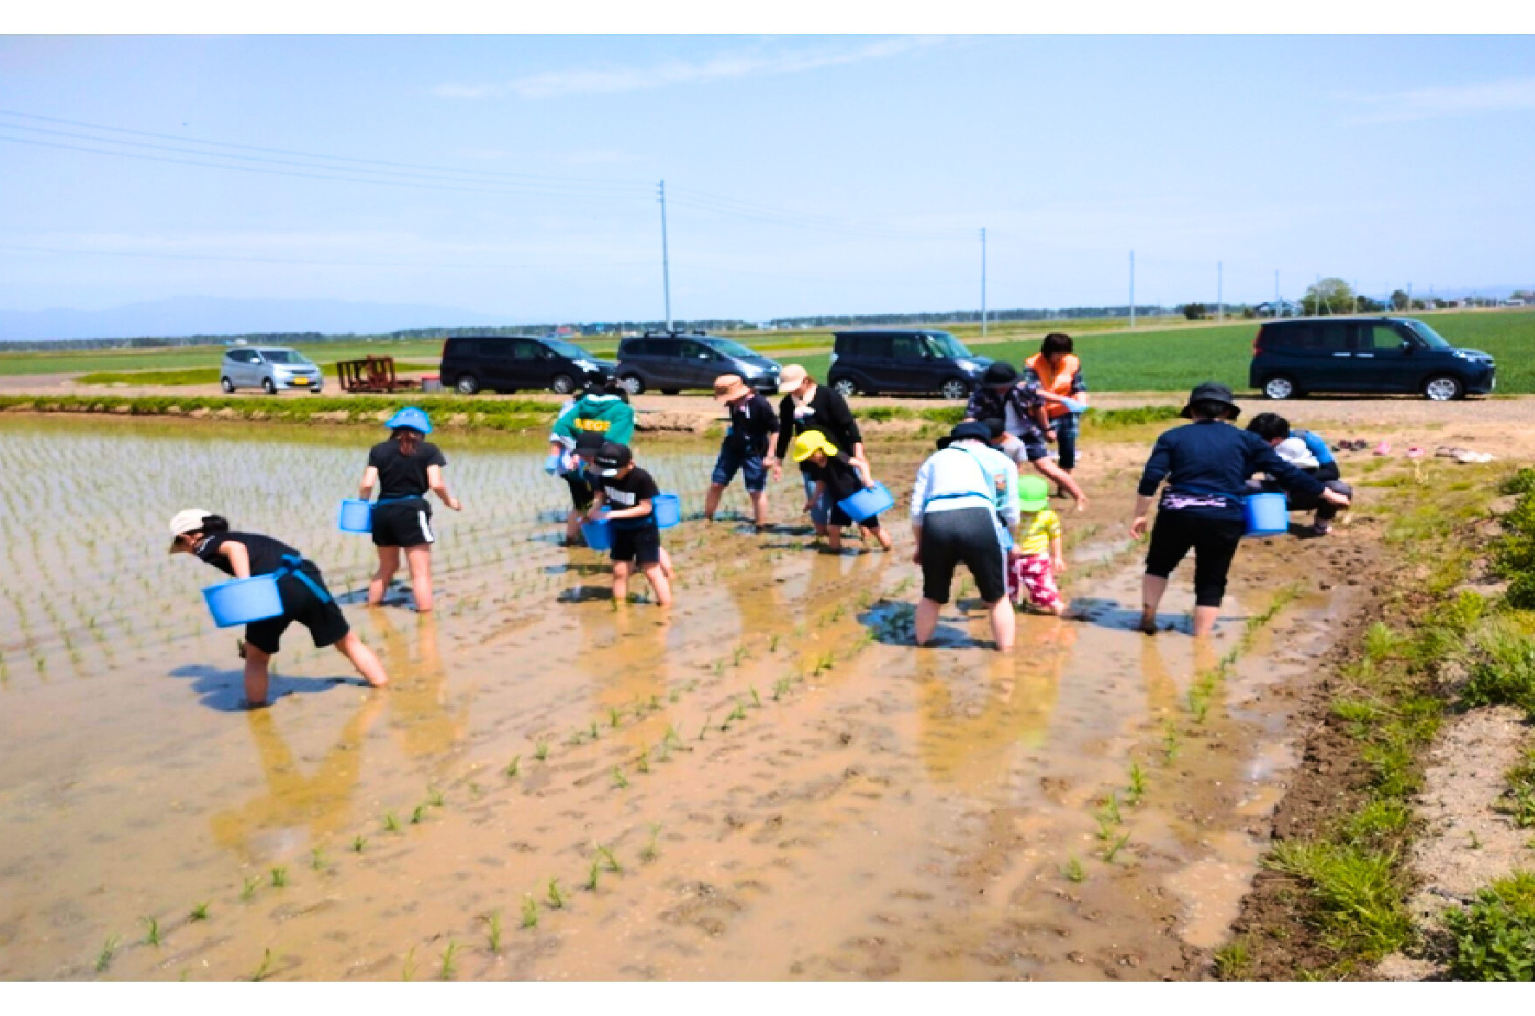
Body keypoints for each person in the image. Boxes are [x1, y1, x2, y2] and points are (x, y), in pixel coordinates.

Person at [1130, 383, 1351, 638]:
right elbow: (1287, 472)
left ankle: (1148, 617)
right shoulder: (1247, 440)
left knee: (1159, 565)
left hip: (1177, 513)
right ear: (1227, 413)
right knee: (1211, 579)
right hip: (1223, 515)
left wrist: (1140, 514)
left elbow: (1151, 478)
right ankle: (1201, 642)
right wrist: (1328, 494)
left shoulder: (1172, 437)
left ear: (1192, 410)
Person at [169, 510, 388, 707]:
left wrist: (246, 586)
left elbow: (236, 550)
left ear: (189, 537)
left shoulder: (205, 543)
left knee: (256, 657)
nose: (187, 551)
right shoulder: (242, 536)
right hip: (306, 578)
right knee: (347, 641)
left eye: (181, 544)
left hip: (271, 588)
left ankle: (255, 707)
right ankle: (383, 687)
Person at [910, 421, 1021, 652]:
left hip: (936, 519)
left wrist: (920, 546)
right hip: (978, 517)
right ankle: (1006, 654)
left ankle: (921, 647)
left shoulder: (935, 459)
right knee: (997, 598)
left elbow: (916, 511)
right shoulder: (1000, 460)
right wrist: (1010, 543)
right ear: (986, 440)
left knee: (932, 595)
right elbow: (1010, 510)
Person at [361, 407, 461, 612]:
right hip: (411, 510)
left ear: (394, 428)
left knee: (386, 567)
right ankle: (426, 621)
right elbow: (436, 483)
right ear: (422, 430)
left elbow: (367, 484)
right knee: (420, 572)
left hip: (383, 512)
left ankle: (372, 610)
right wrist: (449, 501)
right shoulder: (429, 450)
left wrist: (361, 507)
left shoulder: (378, 449)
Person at [965, 361, 1087, 510]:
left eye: (1005, 384)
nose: (1001, 388)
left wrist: (1047, 428)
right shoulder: (981, 393)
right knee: (1004, 471)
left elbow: (1039, 403)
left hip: (1027, 434)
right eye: (998, 385)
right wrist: (967, 433)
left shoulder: (1024, 389)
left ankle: (1079, 496)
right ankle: (1004, 504)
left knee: (1046, 466)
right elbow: (971, 415)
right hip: (999, 437)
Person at [772, 364, 865, 544]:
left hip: (838, 455)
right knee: (818, 501)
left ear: (806, 381)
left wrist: (858, 452)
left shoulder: (828, 396)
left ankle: (865, 530)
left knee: (852, 496)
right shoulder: (787, 404)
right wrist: (778, 461)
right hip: (811, 459)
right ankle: (822, 538)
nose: (792, 391)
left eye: (795, 386)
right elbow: (784, 434)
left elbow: (849, 425)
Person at [549, 379, 636, 546]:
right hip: (605, 466)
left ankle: (569, 540)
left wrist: (574, 451)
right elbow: (616, 442)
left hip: (575, 465)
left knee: (579, 504)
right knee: (604, 501)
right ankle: (601, 538)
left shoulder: (580, 406)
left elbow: (560, 428)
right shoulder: (621, 411)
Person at [589, 441, 673, 608]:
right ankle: (619, 609)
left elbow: (645, 508)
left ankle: (665, 608)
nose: (609, 475)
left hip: (643, 529)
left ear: (630, 464)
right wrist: (593, 510)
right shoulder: (603, 475)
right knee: (619, 571)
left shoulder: (641, 478)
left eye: (613, 471)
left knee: (651, 571)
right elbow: (600, 495)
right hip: (620, 530)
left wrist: (611, 514)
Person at [1245, 412, 1354, 536]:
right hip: (1275, 491)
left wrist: (1296, 481)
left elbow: (1332, 471)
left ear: (1276, 439)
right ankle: (1248, 521)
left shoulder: (1307, 439)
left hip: (1306, 491)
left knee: (1339, 489)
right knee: (1240, 486)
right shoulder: (1252, 445)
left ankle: (1321, 524)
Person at [791, 430, 893, 554]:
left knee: (874, 529)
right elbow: (821, 482)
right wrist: (813, 500)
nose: (810, 459)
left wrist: (867, 479)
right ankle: (834, 552)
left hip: (857, 498)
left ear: (820, 449)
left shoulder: (836, 456)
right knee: (833, 529)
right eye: (807, 457)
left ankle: (888, 550)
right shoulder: (816, 465)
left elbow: (861, 464)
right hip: (840, 502)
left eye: (811, 455)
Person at [704, 374, 780, 533]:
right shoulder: (733, 404)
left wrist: (770, 455)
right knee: (717, 483)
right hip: (733, 446)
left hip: (755, 450)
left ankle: (761, 525)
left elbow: (775, 429)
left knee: (755, 490)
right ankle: (706, 519)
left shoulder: (760, 404)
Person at [1025, 332, 1089, 491]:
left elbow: (1078, 386)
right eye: (1058, 354)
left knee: (1068, 448)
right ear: (1048, 351)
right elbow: (1034, 392)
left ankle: (1064, 485)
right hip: (1040, 412)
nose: (1061, 358)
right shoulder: (1032, 364)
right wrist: (1061, 400)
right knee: (1037, 448)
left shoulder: (1072, 362)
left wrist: (1081, 402)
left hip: (1066, 412)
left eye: (1064, 354)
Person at [1009, 475, 1066, 615]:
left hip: (1036, 559)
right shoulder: (1011, 513)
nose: (1028, 511)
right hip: (1011, 557)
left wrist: (1057, 557)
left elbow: (1055, 536)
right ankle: (1004, 604)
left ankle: (1057, 607)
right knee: (1006, 588)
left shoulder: (1048, 516)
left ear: (1046, 500)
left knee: (1044, 587)